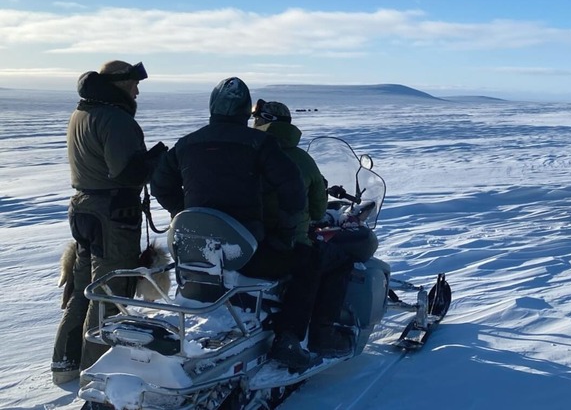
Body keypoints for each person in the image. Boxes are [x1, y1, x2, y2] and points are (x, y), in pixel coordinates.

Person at [150, 78, 318, 370]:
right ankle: (288, 340)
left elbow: (160, 185)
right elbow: (292, 187)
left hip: (195, 252)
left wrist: (188, 214)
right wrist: (288, 232)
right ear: (244, 110)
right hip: (246, 252)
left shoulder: (187, 143)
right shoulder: (259, 143)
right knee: (310, 261)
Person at [52, 60, 167, 385]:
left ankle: (65, 362)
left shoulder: (81, 113)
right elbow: (126, 172)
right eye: (133, 83)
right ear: (119, 84)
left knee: (82, 289)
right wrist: (156, 160)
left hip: (83, 208)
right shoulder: (115, 119)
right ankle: (98, 378)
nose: (137, 89)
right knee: (110, 293)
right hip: (111, 213)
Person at [252, 101, 354, 357]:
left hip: (243, 241)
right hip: (285, 244)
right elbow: (319, 212)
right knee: (338, 261)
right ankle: (322, 334)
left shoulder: (242, 153)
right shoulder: (301, 159)